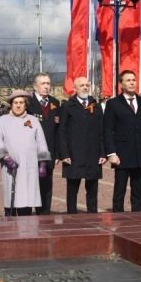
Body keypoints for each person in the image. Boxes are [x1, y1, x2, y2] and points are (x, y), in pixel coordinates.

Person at [0, 90, 51, 216]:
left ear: (25, 104)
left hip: (29, 166)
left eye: (21, 103)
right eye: (15, 103)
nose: (18, 105)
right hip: (11, 167)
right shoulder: (2, 121)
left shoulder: (33, 120)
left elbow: (41, 141)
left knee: (27, 199)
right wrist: (6, 158)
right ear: (11, 104)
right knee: (12, 198)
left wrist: (42, 163)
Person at [104, 70, 141, 211]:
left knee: (138, 190)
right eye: (128, 80)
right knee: (120, 190)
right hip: (121, 154)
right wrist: (111, 153)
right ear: (121, 84)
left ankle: (137, 218)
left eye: (133, 80)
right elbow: (108, 130)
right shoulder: (113, 104)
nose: (132, 82)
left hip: (140, 154)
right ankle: (118, 218)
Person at [56, 77, 104, 213]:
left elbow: (101, 130)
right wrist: (64, 154)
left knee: (92, 190)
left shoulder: (96, 105)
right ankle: (71, 216)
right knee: (72, 189)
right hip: (73, 154)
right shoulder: (67, 106)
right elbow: (62, 132)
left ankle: (92, 216)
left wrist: (102, 153)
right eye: (81, 85)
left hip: (93, 154)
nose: (85, 87)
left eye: (87, 85)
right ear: (75, 88)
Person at [25, 73, 60, 215]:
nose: (46, 86)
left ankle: (44, 214)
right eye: (43, 83)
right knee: (29, 184)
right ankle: (25, 213)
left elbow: (58, 131)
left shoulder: (55, 103)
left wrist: (57, 153)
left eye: (48, 83)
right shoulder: (27, 102)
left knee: (46, 186)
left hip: (48, 152)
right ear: (35, 86)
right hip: (30, 152)